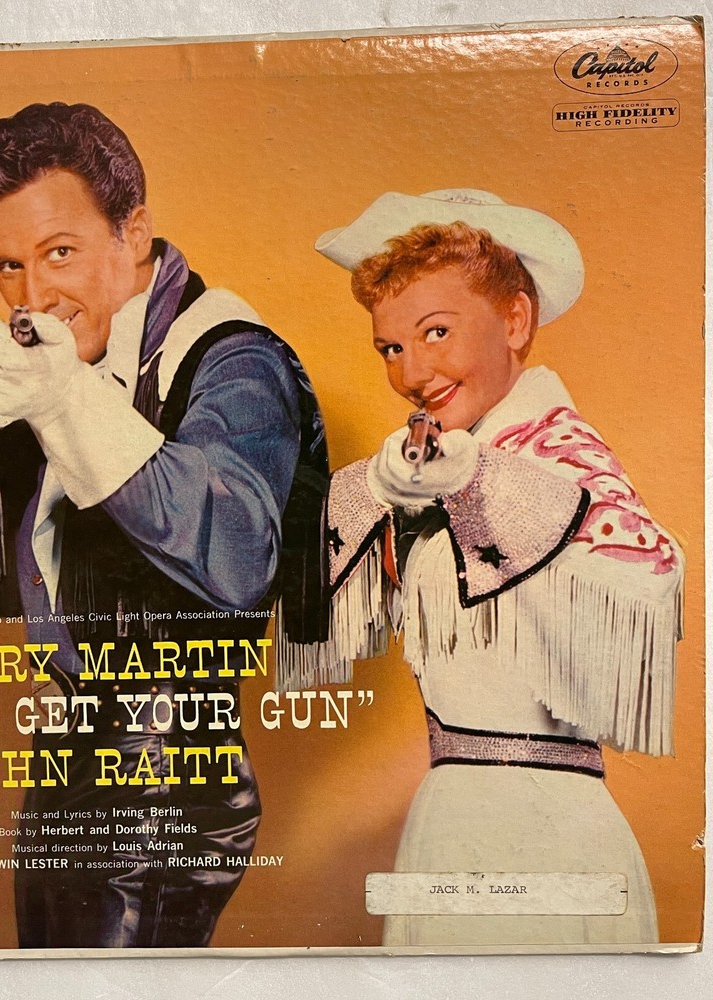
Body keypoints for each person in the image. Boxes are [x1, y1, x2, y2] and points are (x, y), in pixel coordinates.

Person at [0, 102, 328, 948]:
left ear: (134, 232)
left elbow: (239, 557)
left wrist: (64, 403)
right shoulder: (53, 353)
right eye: (7, 265)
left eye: (60, 253)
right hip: (67, 758)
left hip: (166, 774)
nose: (34, 296)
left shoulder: (234, 356)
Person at [282, 189, 682, 946]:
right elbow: (301, 584)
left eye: (436, 332)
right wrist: (386, 485)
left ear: (516, 321)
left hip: (546, 824)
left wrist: (476, 481)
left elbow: (649, 573)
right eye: (390, 348)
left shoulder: (556, 450)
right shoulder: (427, 462)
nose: (412, 372)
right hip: (449, 814)